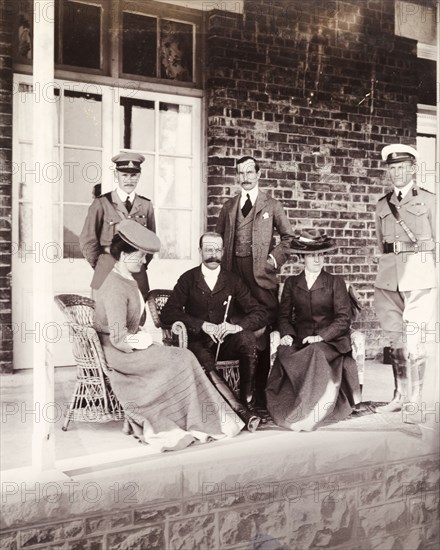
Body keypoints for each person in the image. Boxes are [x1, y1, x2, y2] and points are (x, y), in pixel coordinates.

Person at [93, 220, 244, 452]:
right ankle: (192, 418)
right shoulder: (114, 284)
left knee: (183, 357)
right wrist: (144, 341)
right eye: (142, 256)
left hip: (130, 347)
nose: (145, 261)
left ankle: (198, 416)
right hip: (120, 353)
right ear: (124, 254)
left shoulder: (121, 275)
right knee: (182, 358)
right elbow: (119, 339)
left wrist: (144, 340)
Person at [161, 232, 268, 432]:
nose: (213, 254)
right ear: (200, 251)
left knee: (247, 339)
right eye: (208, 249)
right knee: (203, 357)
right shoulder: (188, 279)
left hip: (224, 342)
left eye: (217, 249)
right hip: (197, 342)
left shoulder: (233, 280)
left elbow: (260, 312)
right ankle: (240, 412)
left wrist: (236, 327)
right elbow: (168, 313)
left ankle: (248, 403)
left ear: (223, 251)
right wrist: (201, 324)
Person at [215, 156, 293, 405]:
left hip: (261, 275)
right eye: (241, 173)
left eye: (250, 172)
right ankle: (239, 393)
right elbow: (217, 239)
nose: (245, 177)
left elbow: (289, 238)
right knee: (239, 327)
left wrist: (273, 259)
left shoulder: (272, 205)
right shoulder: (229, 207)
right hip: (234, 273)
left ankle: (260, 393)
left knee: (262, 328)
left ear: (259, 174)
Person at [265, 228, 361, 431]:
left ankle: (311, 409)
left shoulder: (335, 282)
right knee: (285, 352)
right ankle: (290, 405)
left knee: (316, 352)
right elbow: (283, 316)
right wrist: (288, 335)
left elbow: (343, 319)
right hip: (301, 339)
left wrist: (321, 337)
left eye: (320, 255)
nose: (317, 260)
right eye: (311, 255)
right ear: (302, 258)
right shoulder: (292, 283)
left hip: (331, 342)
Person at [374, 144, 437, 415]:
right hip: (388, 280)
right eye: (392, 168)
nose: (397, 172)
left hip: (419, 279)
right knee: (395, 340)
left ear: (413, 168)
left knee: (415, 340)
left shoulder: (431, 200)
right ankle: (399, 396)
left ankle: (416, 399)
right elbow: (381, 244)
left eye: (402, 167)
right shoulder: (381, 204)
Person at [80, 152, 156, 300]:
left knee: (137, 317)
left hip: (136, 272)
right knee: (105, 317)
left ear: (139, 176)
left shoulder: (146, 205)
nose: (129, 180)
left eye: (133, 175)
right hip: (107, 268)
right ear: (116, 175)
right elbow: (87, 240)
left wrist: (139, 263)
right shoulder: (101, 203)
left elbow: (151, 242)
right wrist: (100, 264)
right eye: (124, 175)